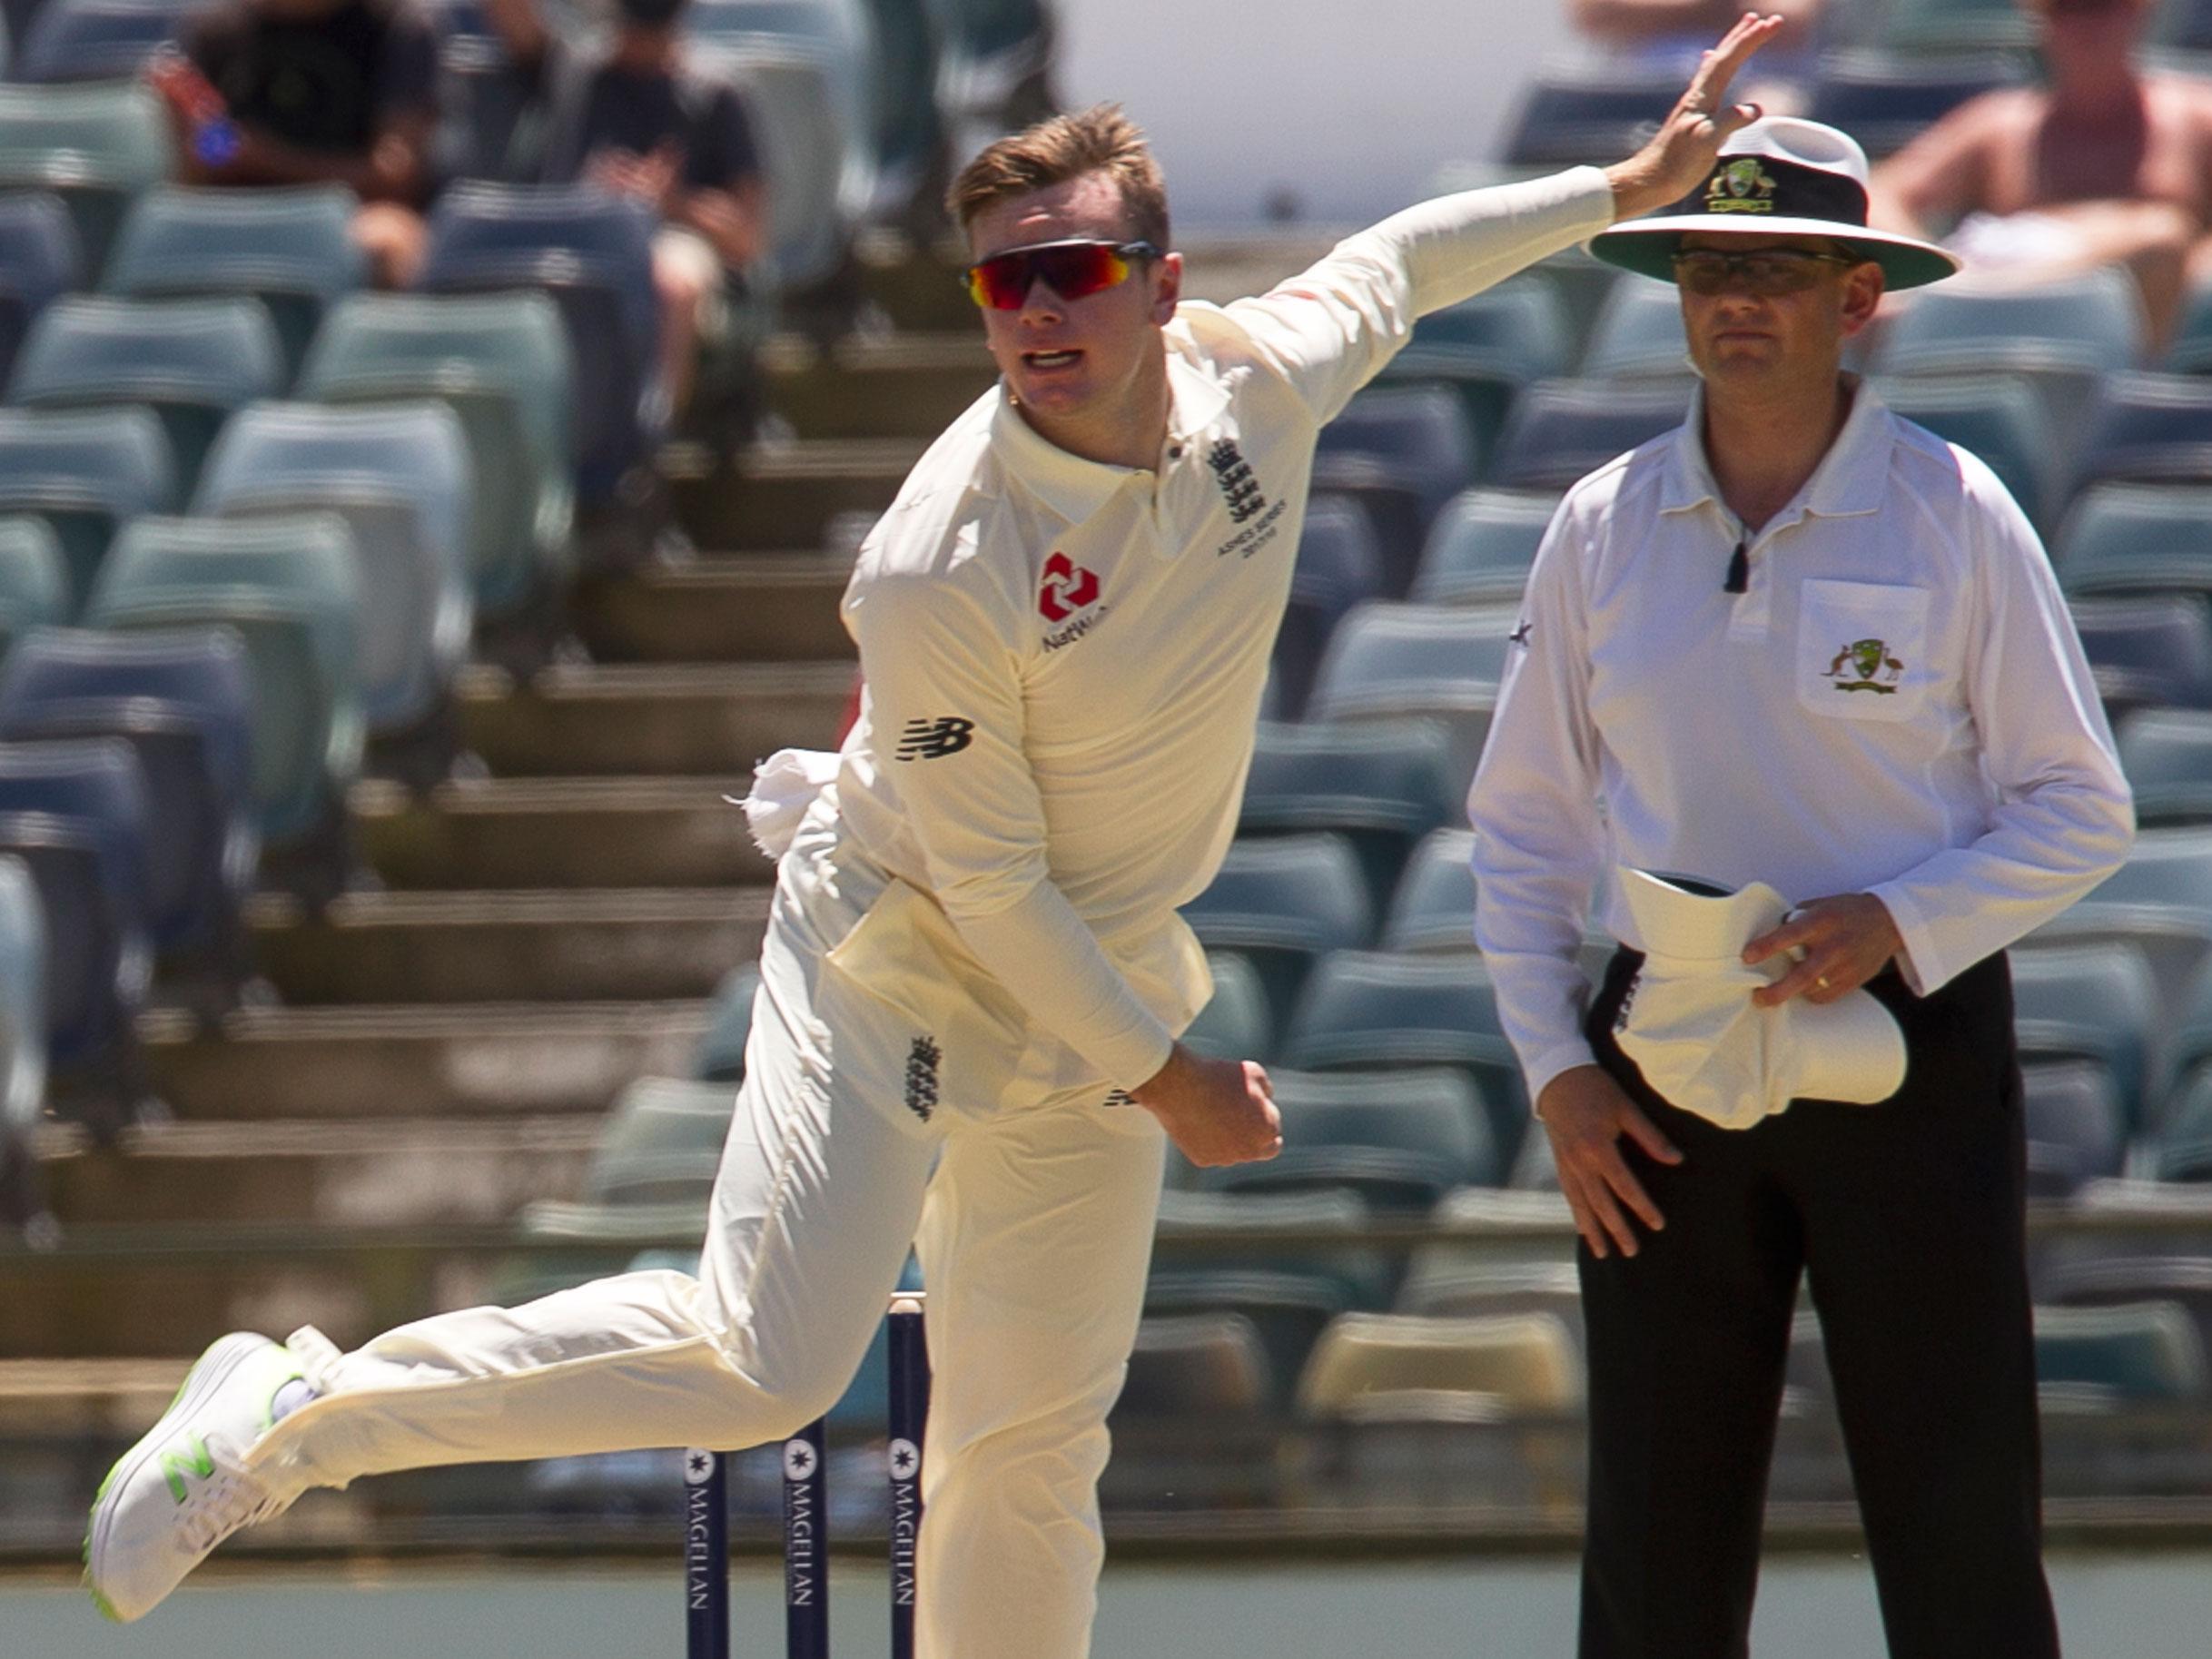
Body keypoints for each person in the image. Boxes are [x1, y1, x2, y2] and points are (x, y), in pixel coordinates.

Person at [84, 18, 1786, 1654]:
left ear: (1163, 285)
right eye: (1004, 281)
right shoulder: (936, 556)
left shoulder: (1253, 386)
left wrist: (1629, 186)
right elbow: (987, 884)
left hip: (1104, 963)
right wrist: (1166, 1074)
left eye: (1077, 271)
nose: (1039, 311)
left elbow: (1405, 261)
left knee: (1029, 1450)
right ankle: (304, 1414)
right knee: (770, 1365)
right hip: (902, 943)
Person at [1469, 114, 2135, 1657]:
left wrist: (1898, 921)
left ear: (1857, 300)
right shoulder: (1598, 526)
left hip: (1910, 1035)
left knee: (1956, 1512)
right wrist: (1559, 1073)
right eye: (1709, 264)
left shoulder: (1956, 512)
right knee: (1654, 1528)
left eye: (1777, 266)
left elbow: (2079, 805)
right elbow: (1520, 830)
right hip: (1658, 1058)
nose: (1736, 298)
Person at [480, 0, 768, 427]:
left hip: (675, 238)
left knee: (670, 280)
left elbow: (748, 236)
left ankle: (647, 440)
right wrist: (599, 194)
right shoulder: (579, 78)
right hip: (584, 238)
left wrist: (673, 203)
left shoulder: (717, 91)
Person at [1870, 0, 2212, 348]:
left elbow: (2169, 246)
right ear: (2039, 21)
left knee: (2162, 238)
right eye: (2066, 10)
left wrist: (2187, 267)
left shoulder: (2195, 117)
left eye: (2104, 7)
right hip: (2005, 316)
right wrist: (1927, 274)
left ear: (2138, 13)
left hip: (2140, 342)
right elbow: (1882, 192)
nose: (2086, 27)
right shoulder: (2002, 125)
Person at [150, 0, 441, 288]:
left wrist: (268, 159)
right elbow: (203, 172)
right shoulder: (216, 29)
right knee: (164, 237)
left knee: (387, 240)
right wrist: (185, 135)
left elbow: (395, 178)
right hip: (235, 209)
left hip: (354, 213)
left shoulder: (395, 26)